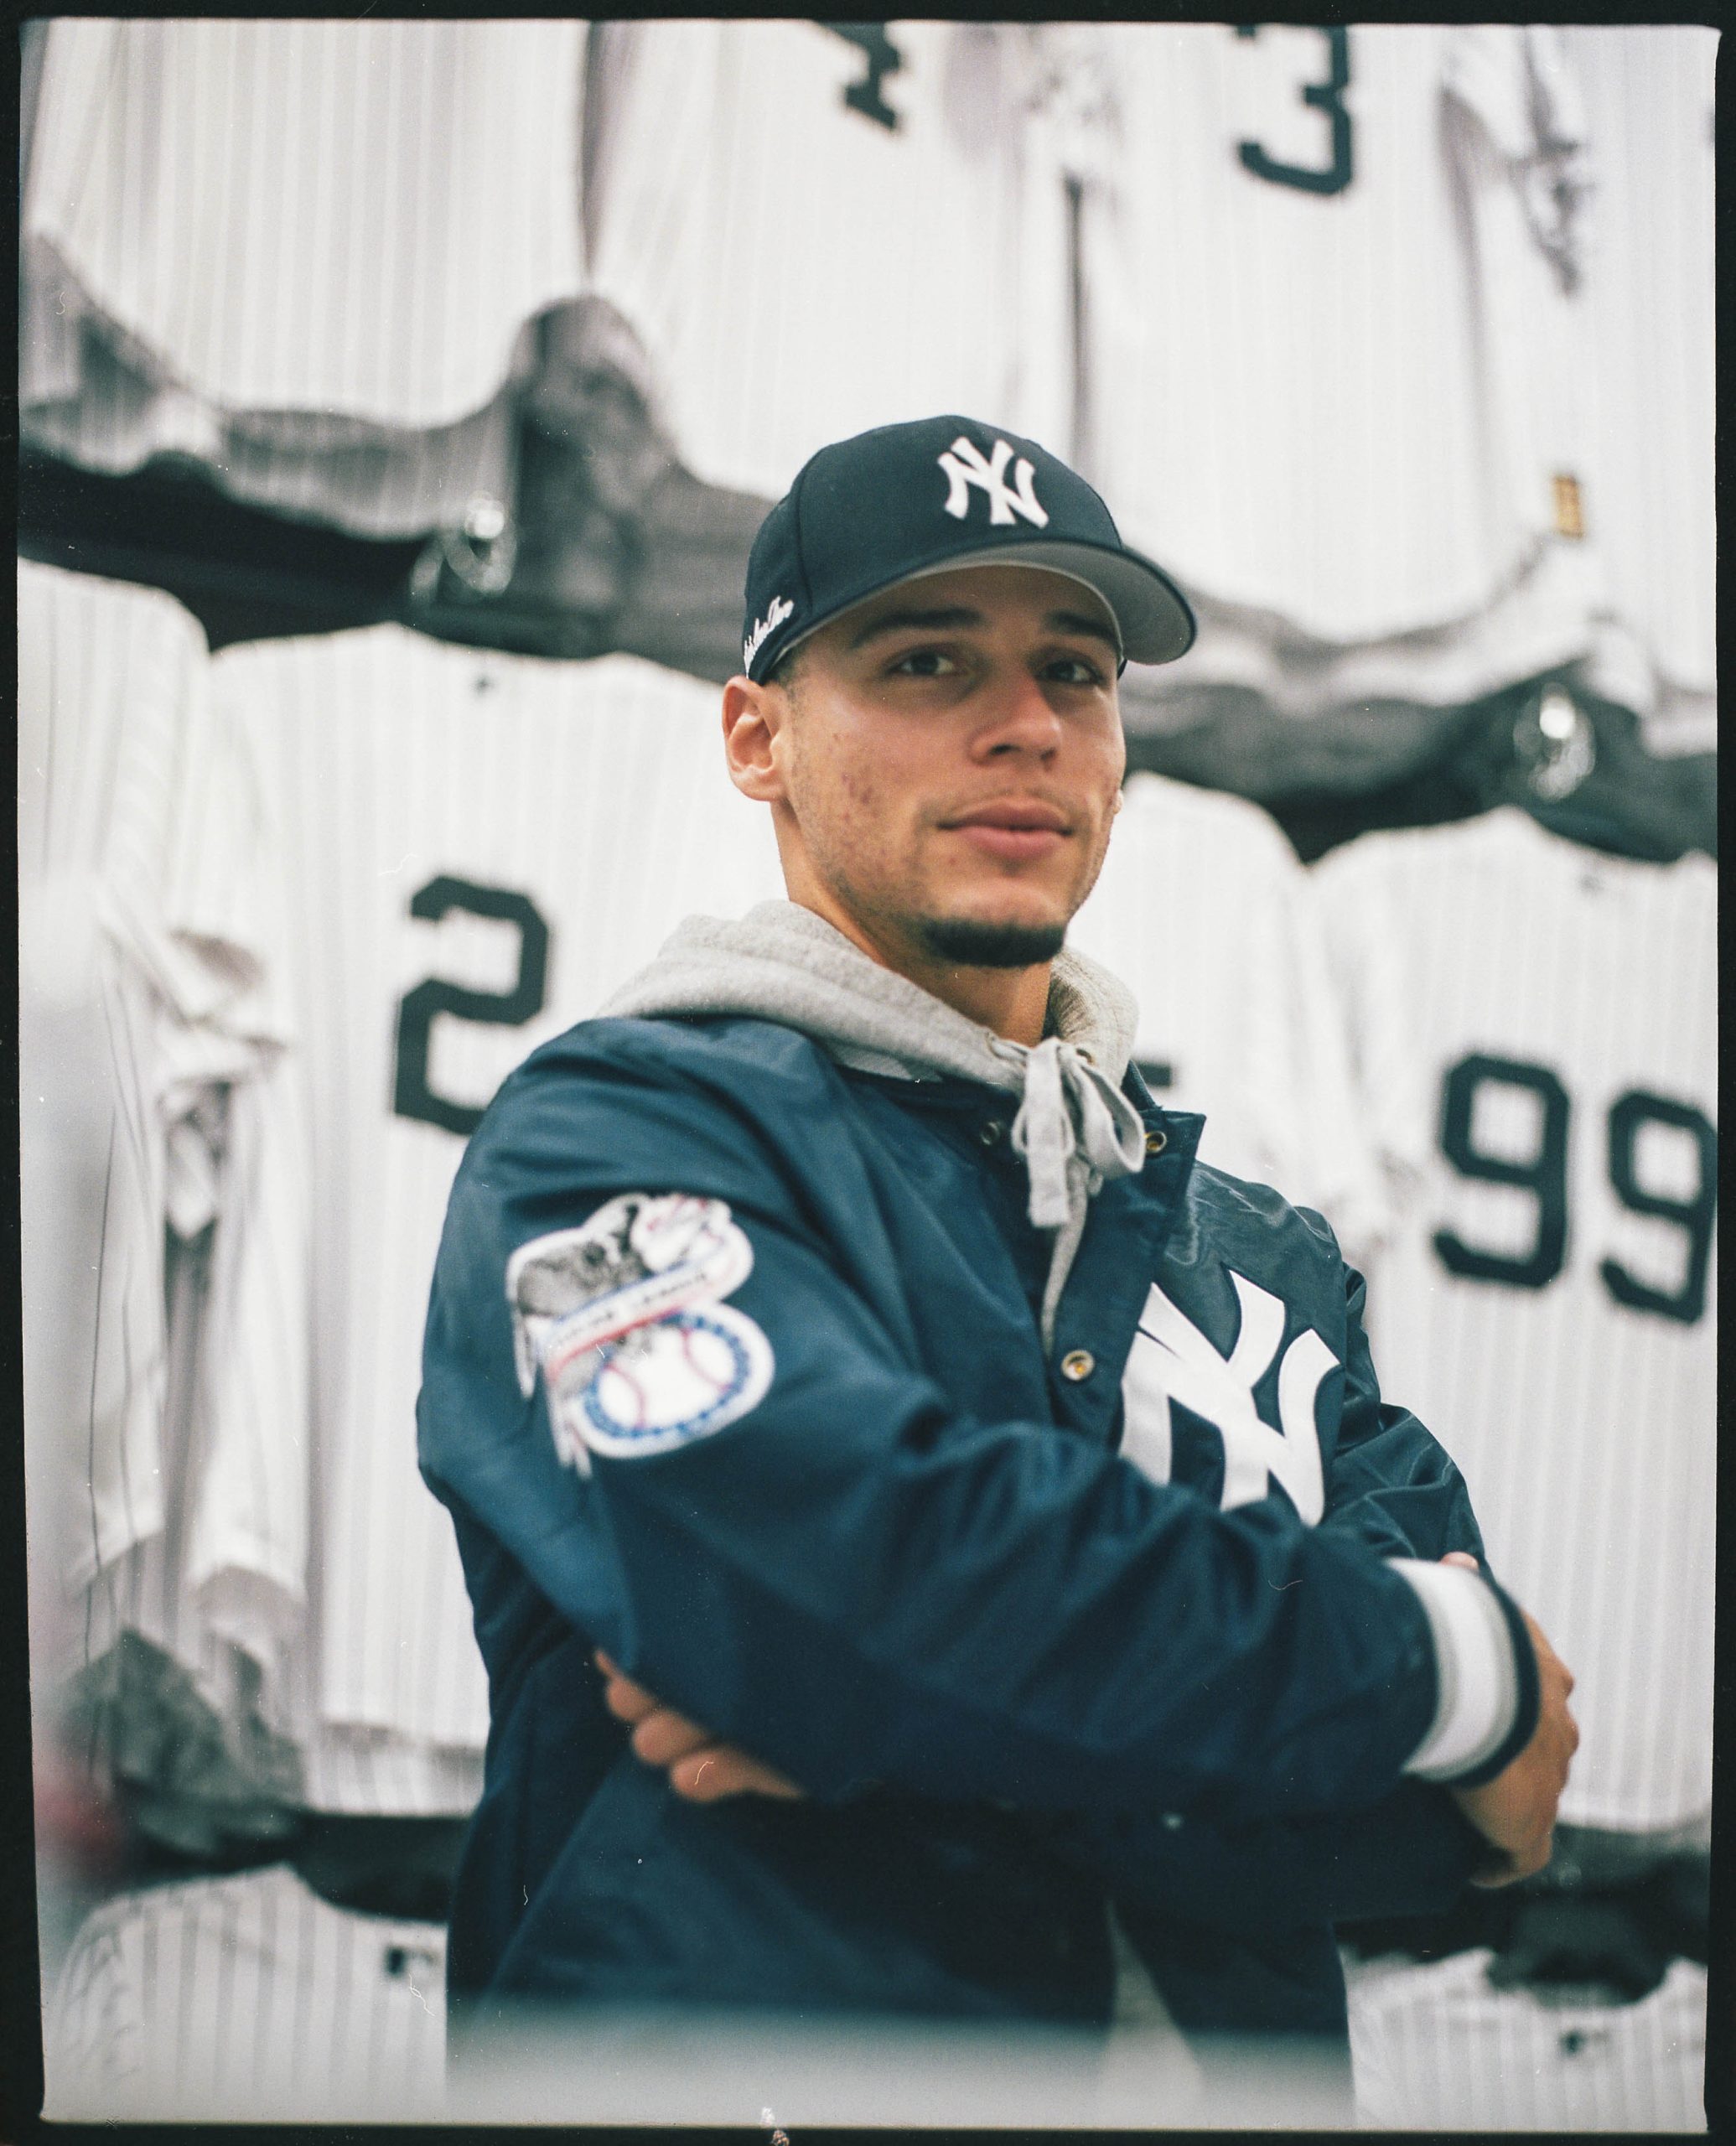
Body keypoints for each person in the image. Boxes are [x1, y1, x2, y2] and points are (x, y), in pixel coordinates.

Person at [417, 414, 1576, 2061]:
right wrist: (1452, 1659)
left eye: (1076, 670)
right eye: (925, 660)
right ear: (757, 735)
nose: (1023, 724)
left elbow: (1477, 1815)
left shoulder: (1258, 1257)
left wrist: (912, 1714)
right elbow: (851, 1577)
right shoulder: (612, 1141)